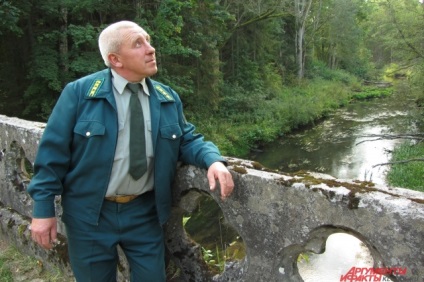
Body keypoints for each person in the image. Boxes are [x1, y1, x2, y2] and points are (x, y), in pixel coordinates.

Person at [27, 20, 234, 281]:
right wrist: (43, 210)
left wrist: (213, 161)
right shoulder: (80, 94)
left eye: (148, 40)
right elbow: (51, 156)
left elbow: (187, 140)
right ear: (115, 59)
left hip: (144, 214)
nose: (151, 49)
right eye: (138, 43)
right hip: (89, 215)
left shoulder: (166, 97)